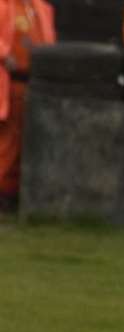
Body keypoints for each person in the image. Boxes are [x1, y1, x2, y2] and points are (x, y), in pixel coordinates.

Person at [0, 0, 55, 213]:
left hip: (33, 82)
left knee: (23, 140)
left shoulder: (40, 7)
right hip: (9, 83)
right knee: (8, 140)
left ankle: (12, 194)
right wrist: (4, 55)